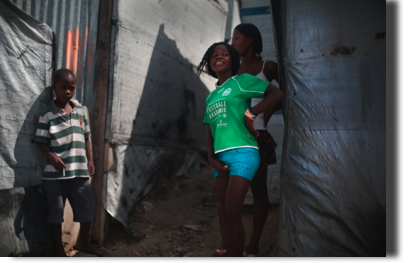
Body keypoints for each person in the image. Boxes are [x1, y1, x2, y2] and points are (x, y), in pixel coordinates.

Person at [197, 42, 285, 257]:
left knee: (233, 210)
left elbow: (277, 94)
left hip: (244, 151)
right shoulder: (211, 96)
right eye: (214, 55)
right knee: (226, 214)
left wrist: (251, 113)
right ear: (209, 63)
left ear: (232, 59)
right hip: (220, 158)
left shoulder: (242, 81)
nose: (219, 57)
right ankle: (228, 251)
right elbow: (210, 129)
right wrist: (210, 158)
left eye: (224, 54)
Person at [34, 69, 102, 257]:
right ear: (54, 87)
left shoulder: (80, 111)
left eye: (71, 88)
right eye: (63, 87)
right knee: (56, 214)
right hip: (55, 176)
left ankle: (84, 242)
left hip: (80, 173)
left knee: (87, 209)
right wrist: (52, 157)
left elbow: (87, 137)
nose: (68, 91)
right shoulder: (47, 114)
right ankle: (58, 248)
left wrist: (90, 159)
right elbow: (40, 141)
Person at [231, 23, 281, 257]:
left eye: (237, 38)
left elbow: (285, 94)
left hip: (257, 136)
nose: (233, 43)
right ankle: (230, 244)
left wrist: (264, 114)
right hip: (234, 139)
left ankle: (253, 246)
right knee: (233, 195)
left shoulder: (268, 67)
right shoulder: (234, 71)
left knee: (258, 190)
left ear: (249, 40)